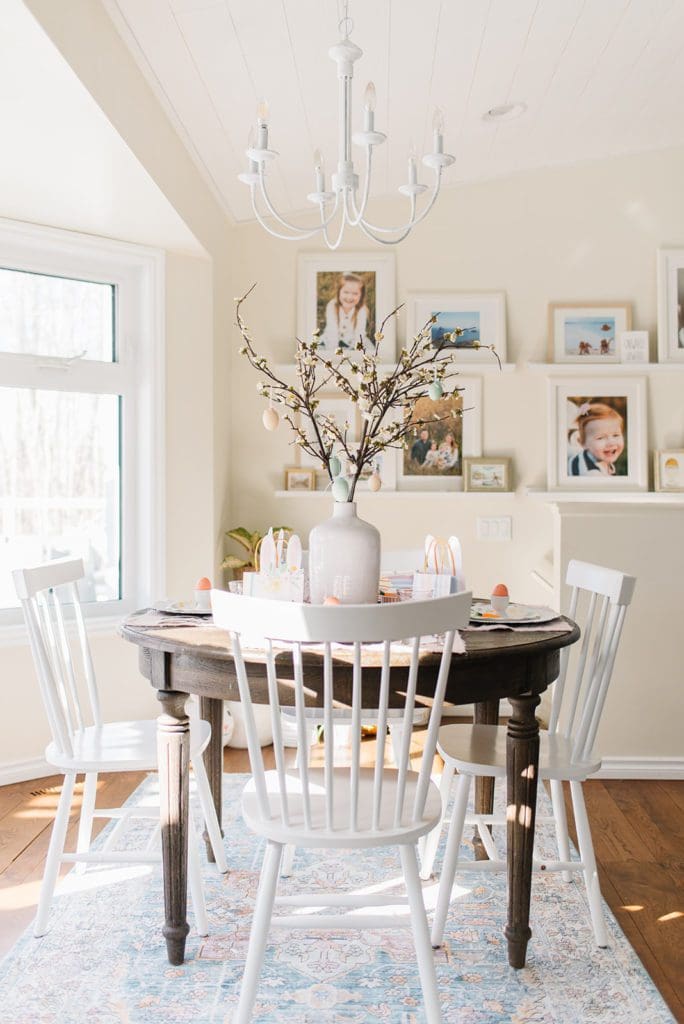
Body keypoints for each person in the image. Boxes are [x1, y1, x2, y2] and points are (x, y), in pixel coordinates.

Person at [568, 402, 625, 476]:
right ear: (582, 443)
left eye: (615, 435)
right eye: (600, 438)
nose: (611, 442)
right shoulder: (592, 474)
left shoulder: (598, 456)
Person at [319, 273, 370, 350]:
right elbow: (332, 330)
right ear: (339, 292)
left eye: (355, 293)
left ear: (361, 295)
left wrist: (356, 351)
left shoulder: (362, 309)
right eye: (346, 292)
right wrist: (333, 352)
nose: (350, 297)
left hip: (353, 342)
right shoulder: (333, 305)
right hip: (331, 340)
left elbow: (360, 333)